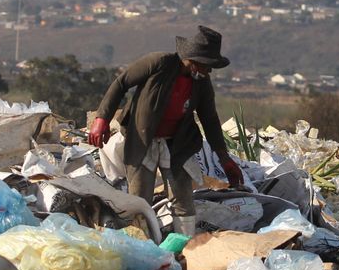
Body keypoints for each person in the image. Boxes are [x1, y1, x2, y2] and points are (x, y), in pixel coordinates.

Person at [88, 25, 243, 236]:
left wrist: (224, 158)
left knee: (183, 201)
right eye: (207, 66)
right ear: (194, 61)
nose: (209, 71)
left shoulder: (201, 83)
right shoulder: (160, 63)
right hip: (143, 140)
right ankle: (143, 249)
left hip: (177, 144)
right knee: (139, 201)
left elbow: (210, 119)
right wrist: (101, 119)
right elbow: (121, 83)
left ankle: (183, 250)